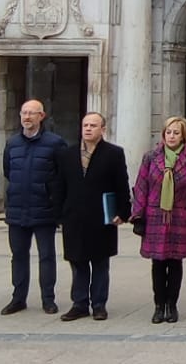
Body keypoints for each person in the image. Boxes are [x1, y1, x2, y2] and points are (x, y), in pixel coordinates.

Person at [54, 112, 130, 321]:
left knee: (99, 262)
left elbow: (121, 184)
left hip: (101, 216)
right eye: (85, 125)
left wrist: (123, 212)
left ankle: (98, 304)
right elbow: (59, 185)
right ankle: (79, 303)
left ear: (102, 129)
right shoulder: (67, 154)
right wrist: (58, 214)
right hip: (74, 216)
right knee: (77, 262)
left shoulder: (113, 153)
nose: (88, 129)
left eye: (93, 125)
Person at [131, 116, 186, 324]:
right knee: (157, 262)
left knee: (175, 263)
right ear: (163, 135)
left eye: (176, 132)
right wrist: (138, 216)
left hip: (179, 215)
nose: (171, 136)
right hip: (155, 215)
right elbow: (141, 187)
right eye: (168, 132)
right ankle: (158, 305)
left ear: (184, 136)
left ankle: (171, 305)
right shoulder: (151, 157)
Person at [1, 99, 67, 316]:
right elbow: (8, 171)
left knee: (46, 256)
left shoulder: (55, 143)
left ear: (42, 116)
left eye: (32, 113)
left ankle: (48, 299)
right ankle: (18, 298)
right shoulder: (12, 143)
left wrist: (53, 201)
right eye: (24, 113)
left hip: (44, 209)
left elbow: (61, 176)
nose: (27, 117)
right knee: (18, 255)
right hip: (17, 208)